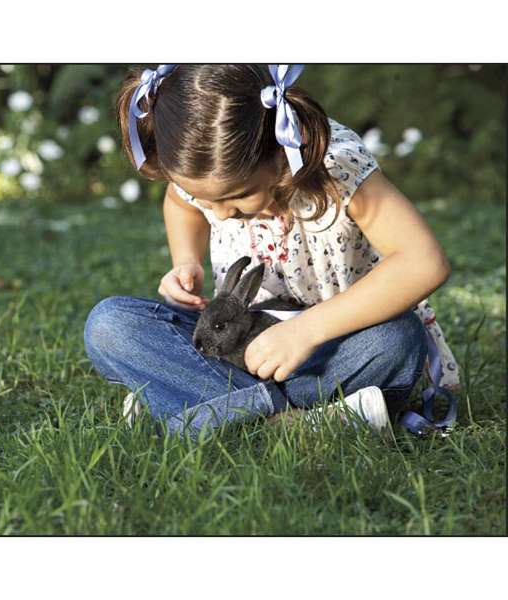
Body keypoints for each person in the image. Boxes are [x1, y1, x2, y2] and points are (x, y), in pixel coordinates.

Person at [83, 64, 461, 440]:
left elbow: (424, 262)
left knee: (396, 339)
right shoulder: (205, 169)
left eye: (238, 196)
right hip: (234, 348)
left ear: (279, 156)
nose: (220, 213)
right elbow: (180, 202)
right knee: (110, 325)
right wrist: (186, 260)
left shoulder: (337, 170)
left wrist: (305, 332)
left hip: (327, 349)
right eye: (206, 200)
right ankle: (297, 422)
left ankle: (196, 404)